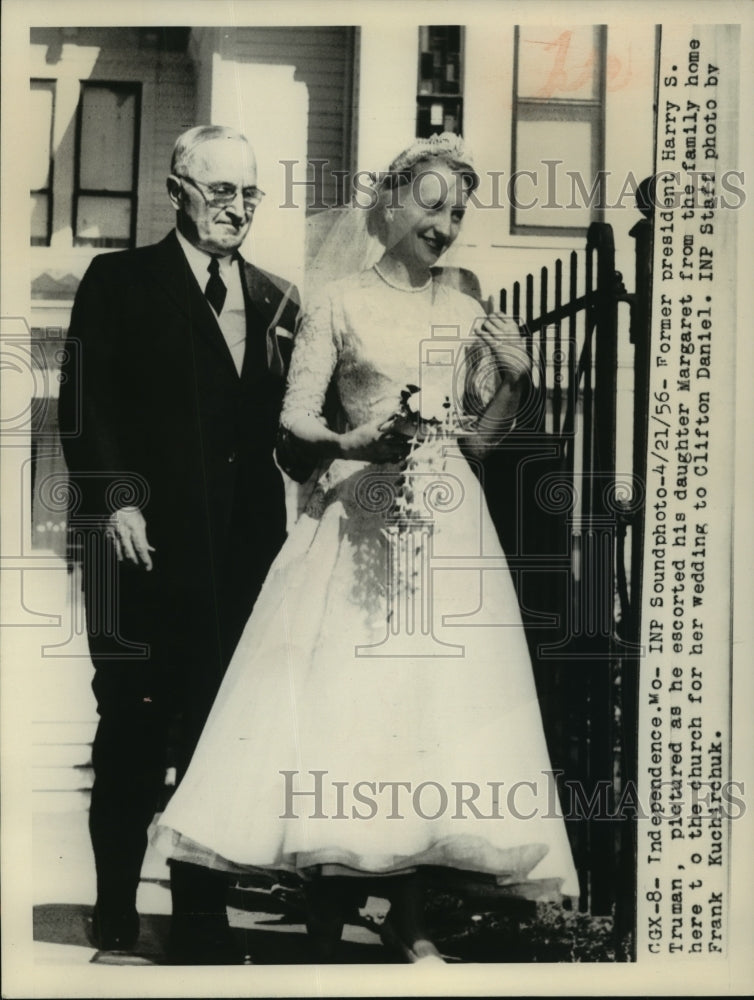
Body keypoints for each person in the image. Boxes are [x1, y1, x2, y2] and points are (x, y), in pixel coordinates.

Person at [153, 133, 579, 963]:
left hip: (446, 531)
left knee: (422, 715)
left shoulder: (466, 306)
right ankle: (323, 913)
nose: (446, 223)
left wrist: (518, 383)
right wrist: (360, 442)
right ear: (389, 204)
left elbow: (481, 445)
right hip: (355, 523)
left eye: (458, 211)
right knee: (340, 714)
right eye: (432, 203)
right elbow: (294, 421)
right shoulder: (338, 301)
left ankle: (412, 921)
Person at [58, 125, 299, 962]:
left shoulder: (277, 300)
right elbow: (85, 409)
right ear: (177, 190)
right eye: (221, 191)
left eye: (250, 193)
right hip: (138, 552)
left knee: (215, 732)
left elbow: (287, 438)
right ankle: (117, 904)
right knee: (131, 722)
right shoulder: (120, 281)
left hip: (238, 559)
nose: (237, 208)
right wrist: (118, 503)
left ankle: (201, 909)